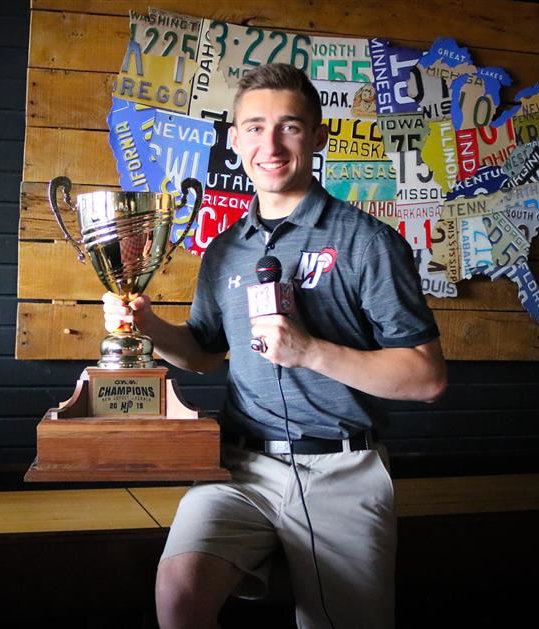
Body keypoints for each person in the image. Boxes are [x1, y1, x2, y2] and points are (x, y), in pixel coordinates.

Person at [103, 63, 447, 629]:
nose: (271, 143)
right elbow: (205, 352)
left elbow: (427, 378)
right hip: (240, 468)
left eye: (289, 126)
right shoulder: (223, 250)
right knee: (179, 596)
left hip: (344, 469)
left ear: (317, 136)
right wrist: (147, 325)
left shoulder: (369, 242)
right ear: (235, 140)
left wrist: (310, 352)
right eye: (255, 127)